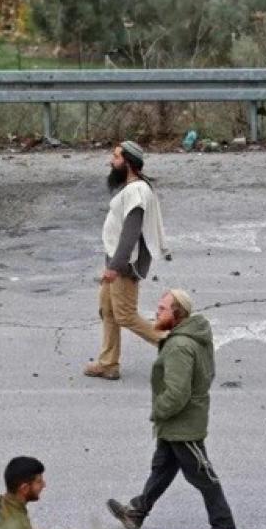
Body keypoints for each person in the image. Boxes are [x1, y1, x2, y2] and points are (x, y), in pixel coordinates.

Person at [106, 289, 237, 529]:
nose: (156, 313)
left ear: (178, 314)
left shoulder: (179, 346)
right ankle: (136, 512)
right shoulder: (193, 335)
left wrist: (158, 411)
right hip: (178, 422)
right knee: (163, 468)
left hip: (183, 424)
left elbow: (178, 393)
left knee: (203, 476)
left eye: (162, 309)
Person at [84, 141, 170, 381]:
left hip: (124, 265)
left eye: (116, 157)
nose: (111, 162)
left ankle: (175, 345)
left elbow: (130, 234)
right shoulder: (132, 188)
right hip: (116, 262)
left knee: (125, 315)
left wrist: (115, 267)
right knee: (108, 310)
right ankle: (108, 364)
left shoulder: (136, 192)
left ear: (128, 163)